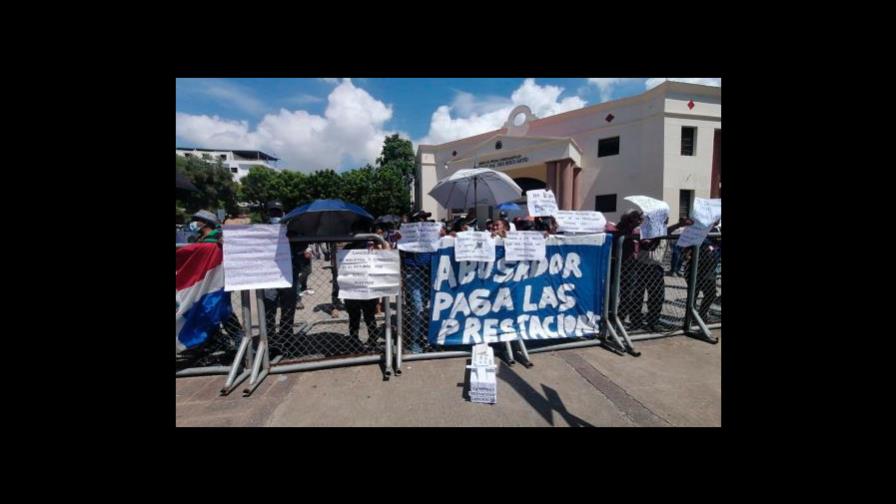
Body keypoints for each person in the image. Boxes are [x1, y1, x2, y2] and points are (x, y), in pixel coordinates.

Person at [631, 216, 692, 331]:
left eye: (666, 219)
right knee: (637, 295)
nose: (666, 220)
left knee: (657, 296)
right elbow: (647, 245)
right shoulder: (646, 230)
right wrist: (657, 238)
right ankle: (635, 322)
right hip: (642, 266)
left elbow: (668, 230)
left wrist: (680, 225)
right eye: (663, 218)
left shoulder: (663, 231)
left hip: (656, 268)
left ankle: (653, 322)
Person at [343, 222, 386, 349]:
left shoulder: (369, 247)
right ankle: (369, 339)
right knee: (367, 315)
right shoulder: (369, 247)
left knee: (357, 315)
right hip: (362, 286)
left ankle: (356, 339)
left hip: (358, 287)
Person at [262, 201, 300, 339]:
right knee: (268, 307)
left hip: (289, 274)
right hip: (269, 275)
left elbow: (302, 247)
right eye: (272, 212)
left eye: (278, 212)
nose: (275, 215)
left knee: (289, 307)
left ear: (284, 213)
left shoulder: (291, 230)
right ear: (267, 214)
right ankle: (270, 338)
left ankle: (286, 336)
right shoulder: (261, 231)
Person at [401, 210, 434, 353]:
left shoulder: (432, 234)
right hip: (413, 272)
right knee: (418, 308)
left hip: (429, 272)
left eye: (425, 219)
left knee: (427, 307)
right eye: (420, 219)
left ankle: (424, 337)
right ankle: (414, 341)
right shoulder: (406, 235)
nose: (424, 222)